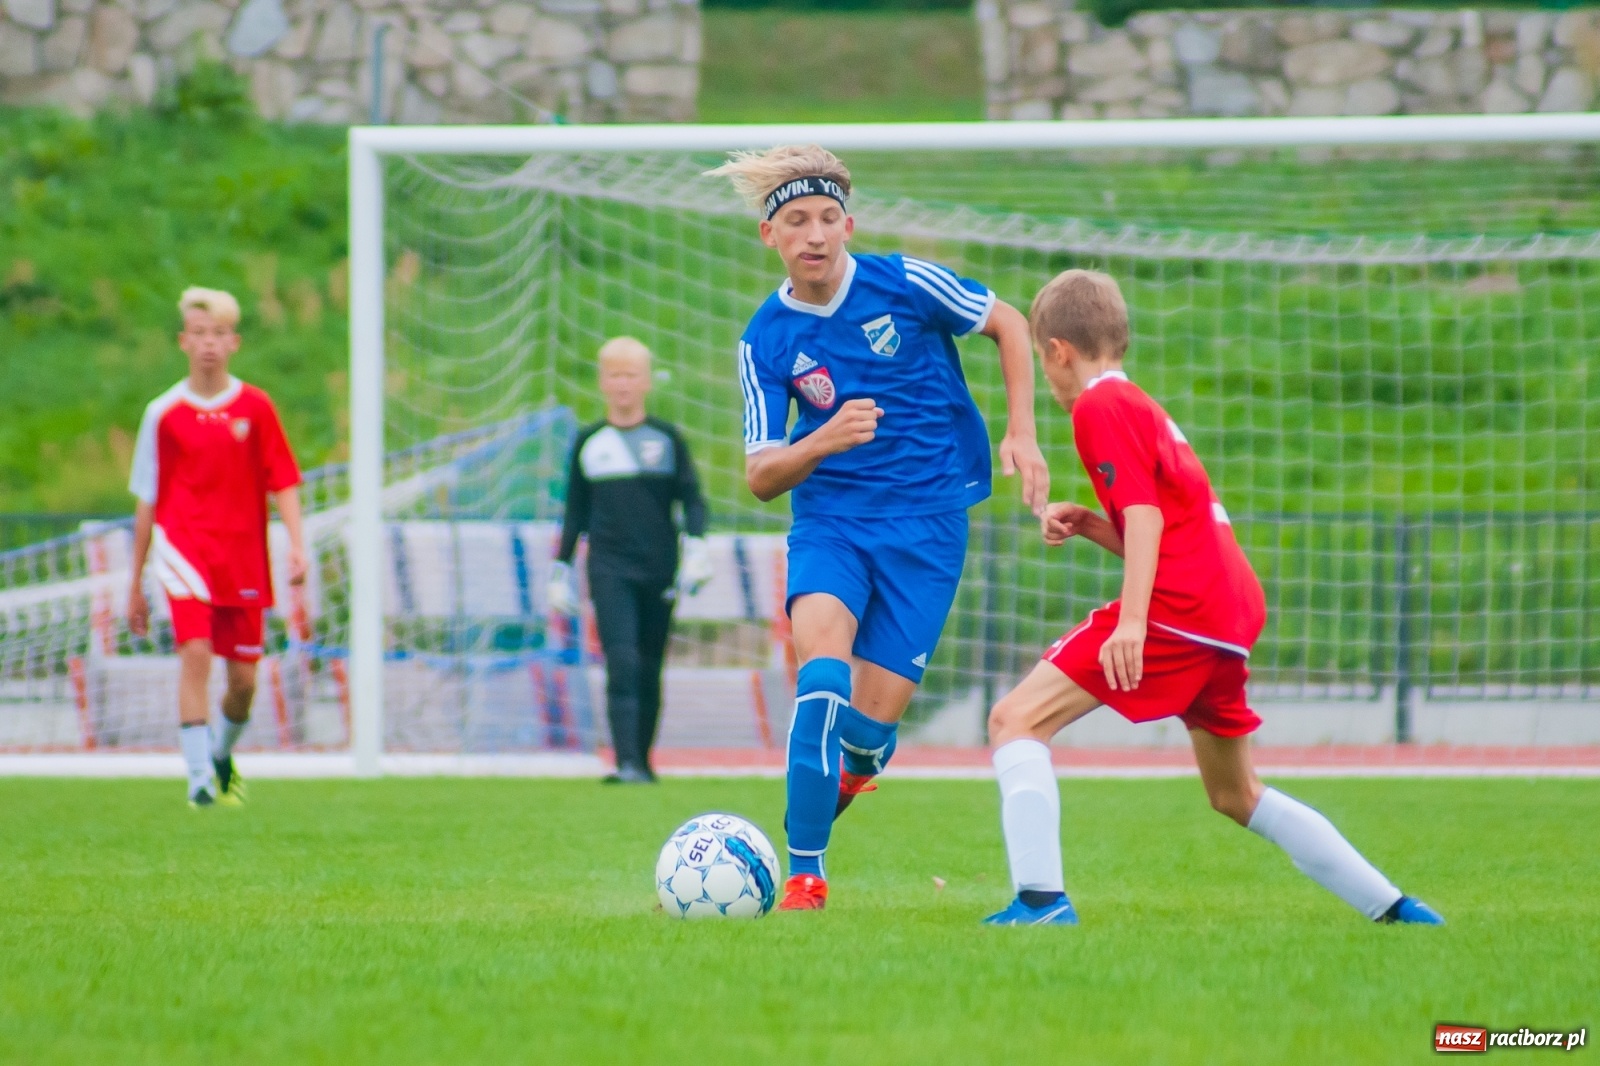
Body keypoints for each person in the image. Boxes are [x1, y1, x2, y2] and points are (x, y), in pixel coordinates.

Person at [982, 269, 1444, 926]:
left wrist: (1132, 624)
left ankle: (1040, 901)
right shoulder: (1140, 404)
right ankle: (1396, 908)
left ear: (1056, 350)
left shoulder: (1097, 408)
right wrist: (1091, 525)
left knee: (1013, 720)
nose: (1049, 380)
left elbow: (1147, 518)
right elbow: (1165, 521)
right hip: (1227, 612)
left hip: (1183, 612)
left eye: (1043, 361)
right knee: (1236, 793)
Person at [708, 145, 1050, 911]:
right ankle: (802, 876)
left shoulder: (906, 282)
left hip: (928, 528)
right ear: (771, 236)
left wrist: (1021, 433)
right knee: (820, 674)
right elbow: (762, 477)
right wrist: (824, 439)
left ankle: (800, 821)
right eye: (796, 221)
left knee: (865, 737)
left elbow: (1011, 324)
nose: (815, 235)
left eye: (828, 218)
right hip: (831, 526)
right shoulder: (763, 339)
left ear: (849, 224)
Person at [127, 287, 306, 809]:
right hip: (182, 554)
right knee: (196, 654)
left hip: (242, 558)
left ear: (234, 342)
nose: (208, 343)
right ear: (184, 341)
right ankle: (199, 779)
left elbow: (284, 480)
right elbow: (147, 499)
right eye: (199, 334)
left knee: (244, 683)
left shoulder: (256, 407)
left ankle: (221, 754)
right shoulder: (162, 413)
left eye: (219, 334)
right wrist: (134, 581)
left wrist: (297, 545)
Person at [549, 337, 713, 784]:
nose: (623, 384)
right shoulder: (589, 443)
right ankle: (625, 764)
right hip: (608, 569)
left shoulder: (666, 439)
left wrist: (696, 547)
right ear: (604, 382)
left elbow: (692, 500)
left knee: (648, 663)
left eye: (631, 375)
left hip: (659, 567)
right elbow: (575, 513)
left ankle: (643, 761)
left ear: (645, 382)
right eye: (615, 375)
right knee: (620, 659)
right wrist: (560, 567)